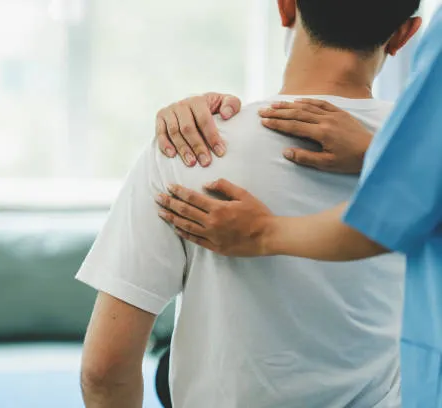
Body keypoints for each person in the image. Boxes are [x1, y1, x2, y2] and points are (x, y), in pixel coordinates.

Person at [77, 1, 423, 407]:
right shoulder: (422, 164)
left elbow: (105, 370)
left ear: (286, 7)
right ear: (405, 34)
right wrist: (387, 155)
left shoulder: (190, 147)